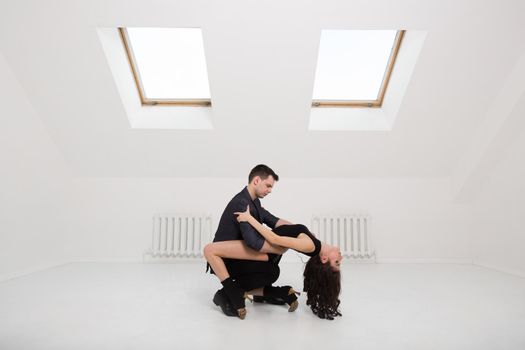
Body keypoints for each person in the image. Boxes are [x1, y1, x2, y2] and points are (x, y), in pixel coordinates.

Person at [206, 206, 343, 320]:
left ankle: (225, 293)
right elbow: (290, 228)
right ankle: (257, 292)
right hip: (259, 257)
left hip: (256, 257)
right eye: (338, 262)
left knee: (272, 272)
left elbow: (274, 238)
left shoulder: (310, 245)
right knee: (272, 272)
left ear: (324, 258)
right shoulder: (314, 242)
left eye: (336, 262)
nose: (340, 259)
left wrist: (249, 219)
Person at [204, 164, 292, 319]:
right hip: (226, 259)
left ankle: (259, 293)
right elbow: (252, 242)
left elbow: (273, 220)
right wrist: (276, 248)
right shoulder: (241, 203)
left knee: (277, 248)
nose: (270, 190)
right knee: (271, 269)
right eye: (268, 186)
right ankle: (224, 294)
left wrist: (301, 231)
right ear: (256, 180)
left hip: (240, 255)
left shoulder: (254, 201)